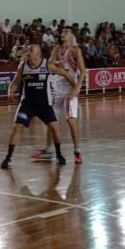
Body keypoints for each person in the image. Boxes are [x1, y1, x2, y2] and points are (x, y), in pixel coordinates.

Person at [0, 43, 77, 169]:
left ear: (38, 54)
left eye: (31, 50)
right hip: (27, 104)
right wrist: (10, 91)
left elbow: (65, 74)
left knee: (55, 128)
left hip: (44, 105)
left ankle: (58, 154)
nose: (28, 52)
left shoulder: (47, 65)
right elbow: (15, 82)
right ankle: (8, 158)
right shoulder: (23, 67)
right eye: (28, 50)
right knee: (17, 127)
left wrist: (75, 87)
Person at [33, 26, 87, 164]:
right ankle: (48, 150)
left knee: (70, 119)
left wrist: (77, 88)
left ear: (72, 36)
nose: (63, 34)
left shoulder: (75, 50)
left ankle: (77, 151)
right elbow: (49, 64)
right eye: (62, 32)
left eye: (66, 32)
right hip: (57, 88)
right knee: (51, 119)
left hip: (70, 88)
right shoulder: (57, 49)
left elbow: (83, 71)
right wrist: (55, 63)